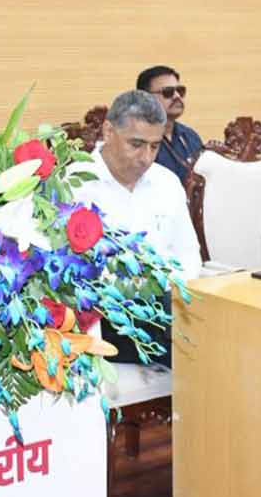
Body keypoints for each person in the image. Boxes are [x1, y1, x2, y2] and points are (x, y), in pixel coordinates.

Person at [71, 90, 201, 364]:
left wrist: (176, 294)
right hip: (107, 316)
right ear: (109, 131)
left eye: (154, 146)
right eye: (137, 144)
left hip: (169, 307)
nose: (146, 158)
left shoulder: (166, 182)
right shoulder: (75, 185)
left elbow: (188, 253)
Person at [136, 65, 206, 181]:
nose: (177, 96)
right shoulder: (134, 139)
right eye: (168, 92)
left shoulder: (190, 136)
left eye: (180, 91)